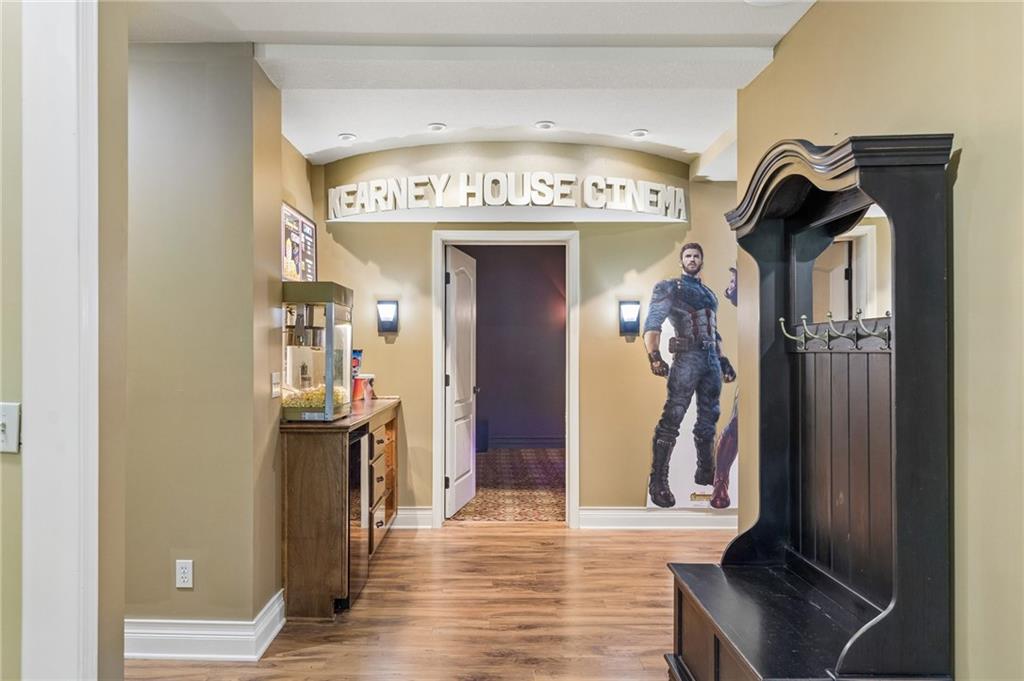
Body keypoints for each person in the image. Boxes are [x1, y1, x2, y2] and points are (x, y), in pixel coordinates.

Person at [644, 243, 736, 508]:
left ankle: (706, 473)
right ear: (681, 261)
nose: (692, 259)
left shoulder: (709, 294)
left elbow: (713, 331)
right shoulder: (670, 287)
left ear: (701, 261)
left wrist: (723, 360)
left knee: (709, 418)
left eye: (696, 256)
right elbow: (653, 322)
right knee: (673, 417)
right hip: (687, 358)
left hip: (710, 360)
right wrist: (654, 356)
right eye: (688, 256)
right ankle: (658, 481)